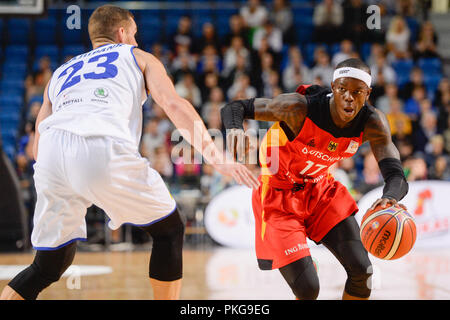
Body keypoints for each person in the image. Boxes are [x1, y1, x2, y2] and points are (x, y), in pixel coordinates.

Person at [0, 5, 259, 301]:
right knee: (169, 230)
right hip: (100, 145)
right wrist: (217, 157)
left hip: (49, 157)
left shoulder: (60, 72)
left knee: (47, 265)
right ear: (122, 33)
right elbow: (174, 105)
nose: (136, 41)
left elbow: (36, 142)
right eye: (134, 34)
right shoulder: (138, 56)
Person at [221, 58, 409, 300]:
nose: (349, 97)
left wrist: (390, 197)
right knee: (308, 288)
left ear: (368, 93)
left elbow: (396, 174)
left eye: (357, 91)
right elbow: (234, 108)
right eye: (342, 89)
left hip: (321, 191)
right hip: (279, 196)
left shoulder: (373, 122)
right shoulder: (298, 108)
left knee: (364, 271)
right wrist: (235, 129)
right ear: (333, 87)